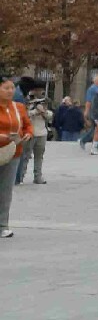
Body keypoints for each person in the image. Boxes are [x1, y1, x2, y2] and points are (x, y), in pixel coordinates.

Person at [0, 76, 35, 238]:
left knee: (6, 190)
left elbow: (27, 125)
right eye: (6, 88)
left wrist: (28, 134)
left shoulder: (19, 107)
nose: (10, 91)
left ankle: (3, 225)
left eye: (12, 88)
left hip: (13, 152)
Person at [15, 85, 51, 185]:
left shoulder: (43, 102)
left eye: (41, 90)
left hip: (42, 133)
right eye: (38, 90)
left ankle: (38, 177)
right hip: (30, 133)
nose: (40, 92)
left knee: (39, 156)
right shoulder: (27, 100)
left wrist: (43, 112)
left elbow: (50, 116)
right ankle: (20, 177)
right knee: (25, 156)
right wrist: (35, 111)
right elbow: (24, 115)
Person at [82, 74, 98, 153]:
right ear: (96, 81)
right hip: (93, 111)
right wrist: (86, 111)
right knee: (96, 128)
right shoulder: (92, 89)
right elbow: (88, 101)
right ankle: (83, 140)